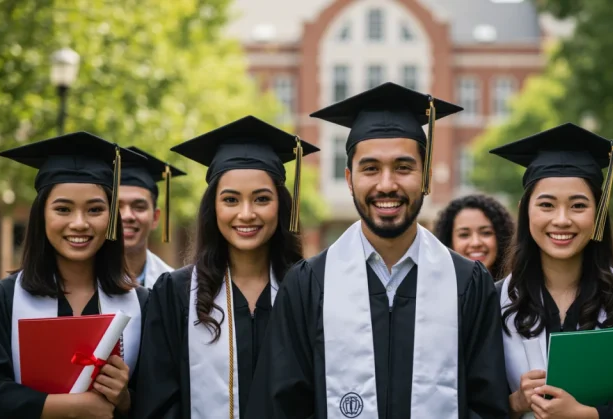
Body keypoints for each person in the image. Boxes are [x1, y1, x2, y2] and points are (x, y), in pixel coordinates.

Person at [247, 82, 510, 419]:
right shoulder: (308, 284)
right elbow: (279, 407)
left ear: (426, 175)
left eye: (403, 168)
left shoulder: (467, 283)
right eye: (370, 169)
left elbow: (487, 407)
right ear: (349, 178)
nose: (387, 184)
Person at [131, 116, 318, 418]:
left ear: (281, 207)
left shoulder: (309, 291)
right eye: (231, 200)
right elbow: (158, 402)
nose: (246, 214)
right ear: (213, 208)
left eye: (261, 199)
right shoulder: (175, 295)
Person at [489, 123, 613, 418]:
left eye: (578, 205)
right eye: (547, 205)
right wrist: (515, 404)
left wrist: (588, 415)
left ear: (598, 212)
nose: (562, 220)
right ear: (526, 210)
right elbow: (467, 404)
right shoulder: (493, 302)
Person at [0, 132, 149, 419]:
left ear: (111, 219)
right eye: (63, 209)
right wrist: (66, 408)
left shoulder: (144, 305)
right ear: (42, 216)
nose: (79, 223)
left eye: (95, 209)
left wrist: (124, 399)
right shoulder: (0, 299)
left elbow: (161, 397)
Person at [119, 146, 186, 288]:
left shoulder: (174, 285)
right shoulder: (80, 281)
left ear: (155, 218)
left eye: (139, 207)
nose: (127, 216)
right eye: (117, 207)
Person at [434, 194, 515, 280]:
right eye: (464, 235)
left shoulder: (514, 290)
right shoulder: (435, 290)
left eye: (486, 233)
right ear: (449, 240)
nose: (475, 243)